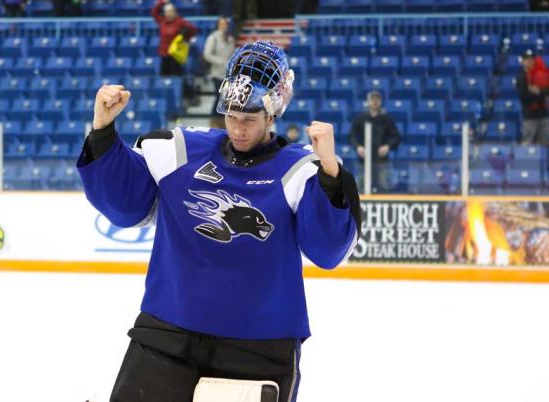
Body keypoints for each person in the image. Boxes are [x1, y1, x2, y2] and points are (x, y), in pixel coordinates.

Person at [77, 41, 361, 402]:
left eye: (249, 119)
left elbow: (327, 250)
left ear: (273, 115)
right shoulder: (178, 150)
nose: (238, 129)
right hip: (168, 332)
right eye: (231, 117)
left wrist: (331, 173)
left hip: (258, 346)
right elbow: (125, 206)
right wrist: (102, 129)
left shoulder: (300, 171)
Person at [348, 90, 401, 193]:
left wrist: (387, 146)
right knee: (360, 189)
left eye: (377, 99)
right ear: (368, 101)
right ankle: (358, 209)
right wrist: (358, 147)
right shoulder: (361, 118)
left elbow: (396, 137)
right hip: (363, 161)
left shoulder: (387, 119)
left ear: (380, 101)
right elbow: (352, 135)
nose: (375, 102)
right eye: (372, 99)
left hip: (382, 161)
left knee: (384, 188)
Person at [203, 16, 235, 129]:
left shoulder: (230, 38)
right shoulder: (213, 38)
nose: (223, 26)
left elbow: (232, 53)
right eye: (221, 24)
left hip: (228, 74)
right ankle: (214, 120)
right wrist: (220, 62)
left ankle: (223, 121)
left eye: (225, 24)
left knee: (226, 97)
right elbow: (207, 54)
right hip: (217, 73)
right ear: (217, 25)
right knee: (219, 95)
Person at [151, 0, 198, 77]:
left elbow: (193, 29)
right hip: (164, 54)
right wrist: (162, 2)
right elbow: (154, 13)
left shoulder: (180, 22)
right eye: (166, 12)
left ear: (174, 12)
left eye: (170, 12)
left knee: (175, 77)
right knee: (164, 77)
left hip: (175, 55)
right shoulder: (162, 21)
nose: (168, 14)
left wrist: (185, 38)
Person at [516, 50, 549, 146]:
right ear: (522, 61)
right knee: (527, 143)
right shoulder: (521, 77)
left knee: (545, 144)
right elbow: (524, 97)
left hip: (544, 115)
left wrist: (538, 91)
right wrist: (540, 94)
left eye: (531, 59)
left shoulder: (541, 74)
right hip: (530, 116)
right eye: (527, 60)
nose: (530, 62)